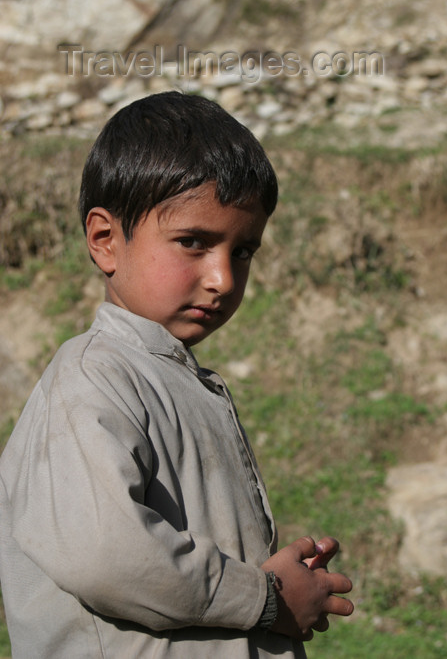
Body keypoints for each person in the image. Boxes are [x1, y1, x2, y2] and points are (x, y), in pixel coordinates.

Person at [0, 91, 353, 658]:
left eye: (243, 252)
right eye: (194, 242)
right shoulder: (92, 379)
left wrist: (278, 584)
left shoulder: (173, 377)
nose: (221, 278)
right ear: (105, 240)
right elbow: (105, 557)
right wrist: (266, 597)